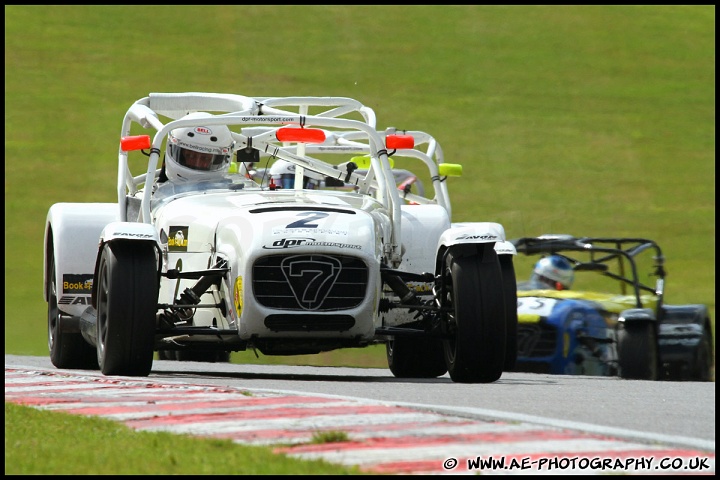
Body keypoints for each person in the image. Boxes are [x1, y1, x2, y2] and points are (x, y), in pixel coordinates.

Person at [162, 112, 235, 183]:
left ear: (218, 160)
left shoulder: (230, 193)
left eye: (205, 158)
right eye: (190, 156)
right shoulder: (154, 191)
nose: (197, 164)